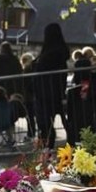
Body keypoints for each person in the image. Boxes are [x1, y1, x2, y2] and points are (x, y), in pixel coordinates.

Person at [31, 22, 69, 150]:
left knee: (45, 122)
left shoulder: (51, 54)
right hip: (54, 91)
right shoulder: (60, 52)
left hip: (46, 92)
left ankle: (48, 145)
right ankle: (49, 144)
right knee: (57, 120)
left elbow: (41, 68)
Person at [19, 52, 37, 138]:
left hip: (28, 97)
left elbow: (25, 84)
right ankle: (32, 132)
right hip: (33, 96)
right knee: (32, 116)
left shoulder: (26, 69)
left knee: (29, 116)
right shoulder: (34, 68)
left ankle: (31, 133)